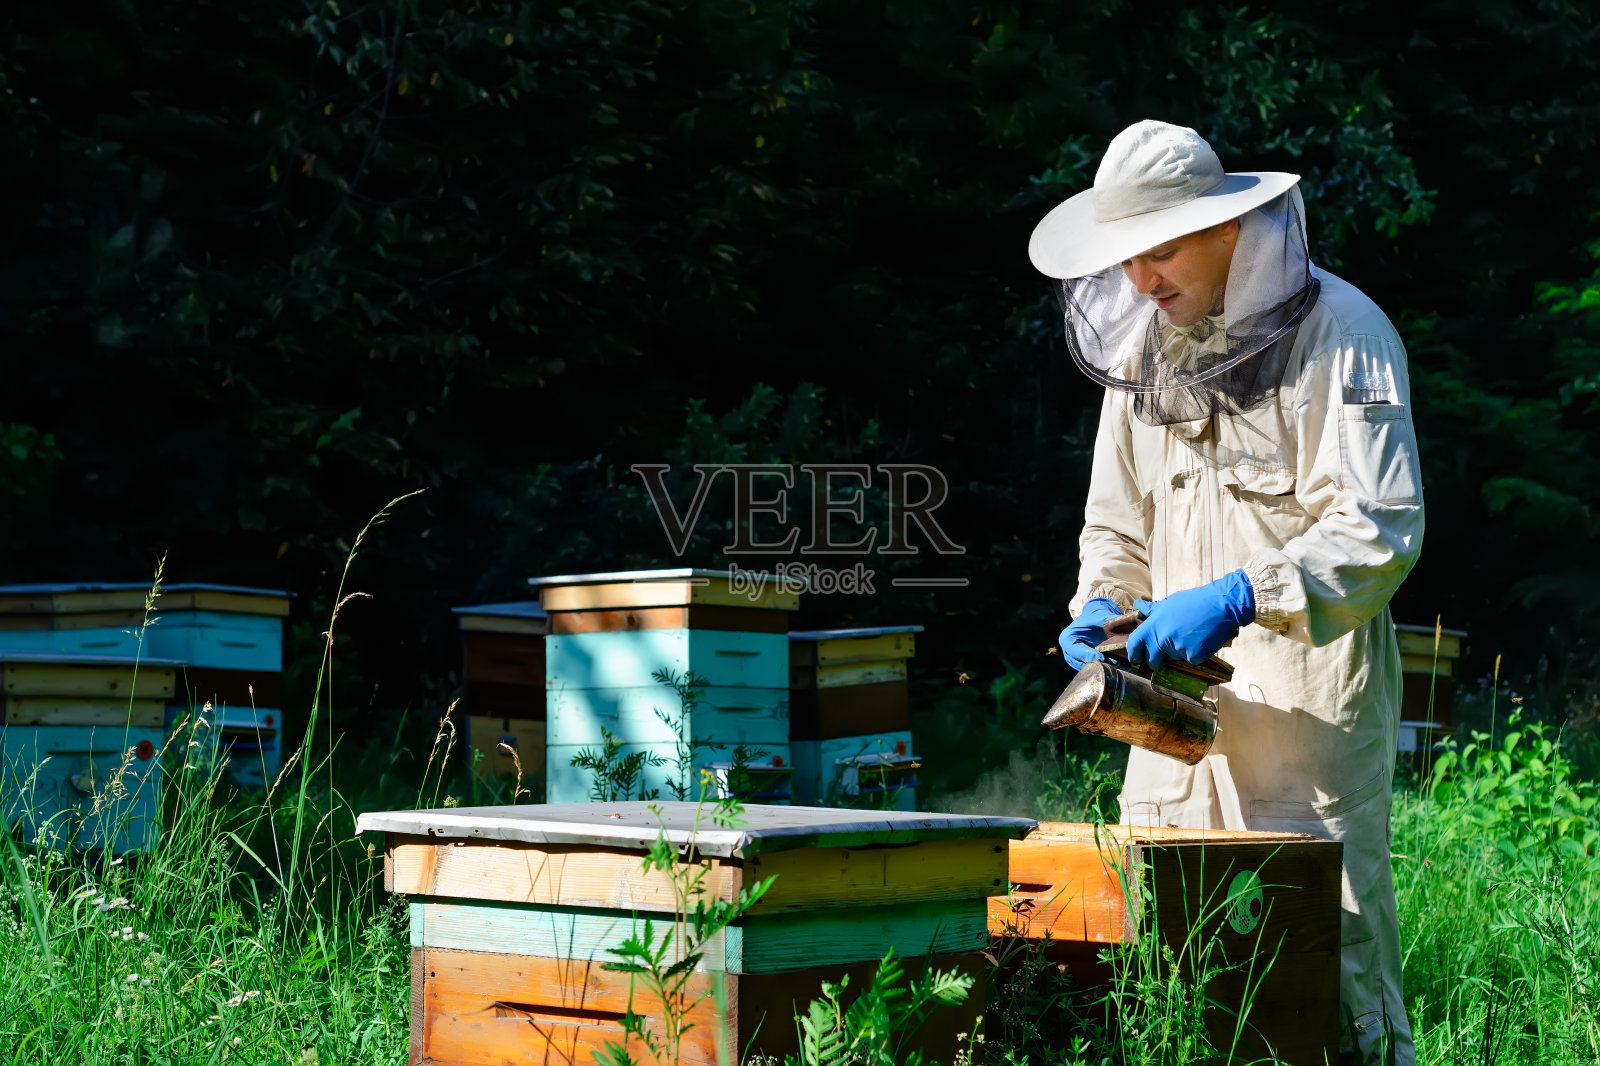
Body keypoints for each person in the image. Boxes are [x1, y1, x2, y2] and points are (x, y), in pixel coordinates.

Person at [1030, 119, 1425, 1065]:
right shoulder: (1140, 359)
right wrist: (1097, 608)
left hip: (1306, 717)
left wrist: (1242, 593)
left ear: (1227, 228)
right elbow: (1115, 527)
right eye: (1127, 259)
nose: (1141, 281)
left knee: (1333, 962)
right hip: (1172, 721)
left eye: (1160, 252)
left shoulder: (1345, 334)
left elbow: (1379, 527)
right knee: (1171, 966)